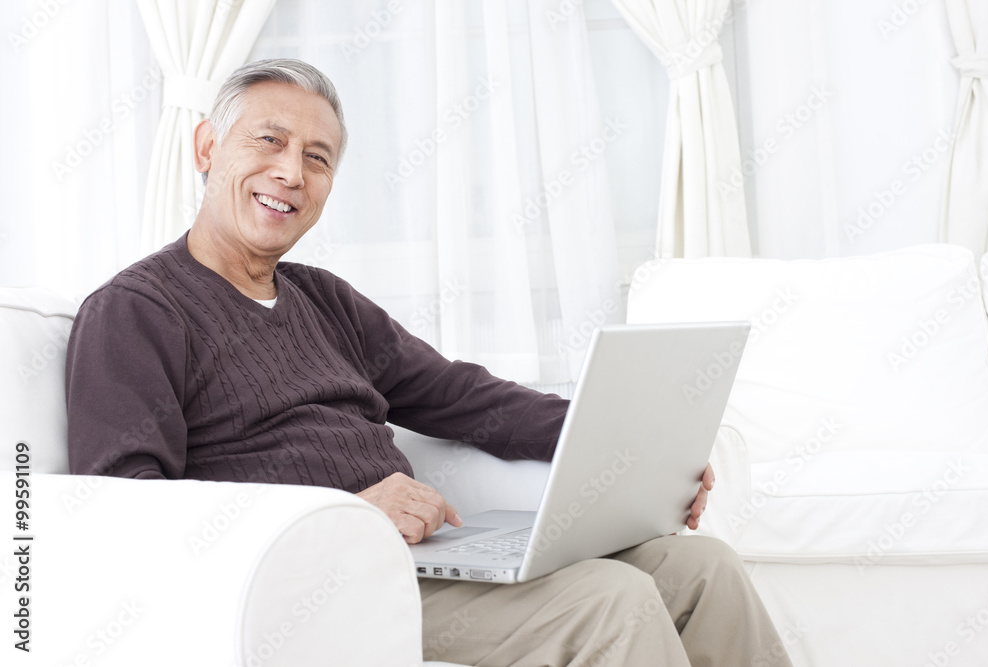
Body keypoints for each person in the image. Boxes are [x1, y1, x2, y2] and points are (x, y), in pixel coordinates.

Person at [66, 58, 792, 666]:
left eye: (316, 158)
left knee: (703, 567)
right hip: (318, 593)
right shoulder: (136, 312)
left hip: (414, 562)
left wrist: (632, 445)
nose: (291, 171)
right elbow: (127, 517)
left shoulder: (322, 299)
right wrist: (345, 513)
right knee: (613, 599)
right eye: (270, 141)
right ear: (206, 148)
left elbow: (463, 396)